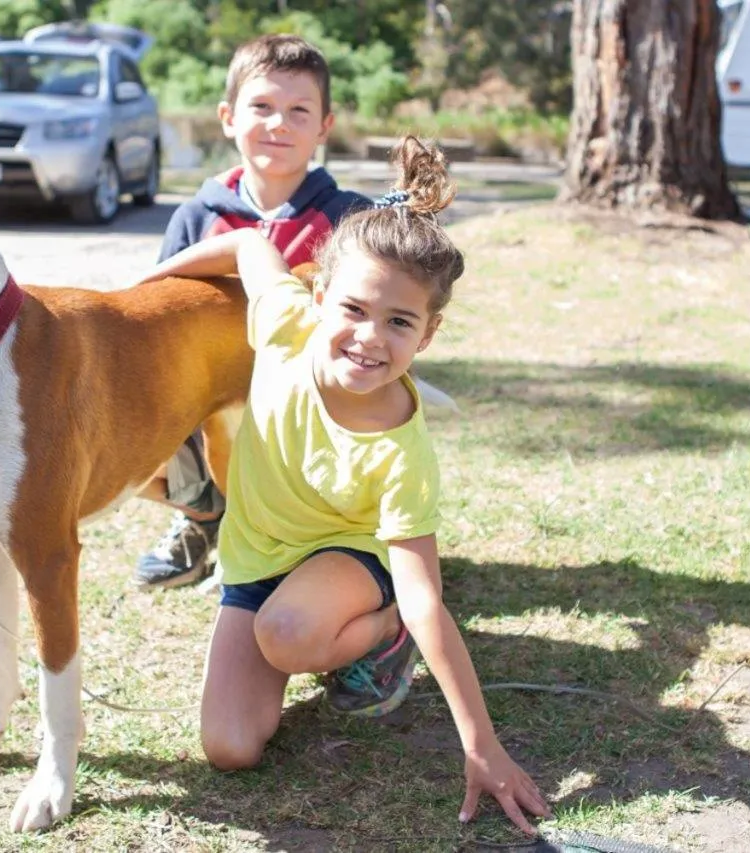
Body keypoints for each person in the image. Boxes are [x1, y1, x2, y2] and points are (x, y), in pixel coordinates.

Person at [133, 137, 552, 835]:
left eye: (399, 322)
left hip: (350, 562)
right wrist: (141, 289)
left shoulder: (400, 449)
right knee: (230, 747)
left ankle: (377, 637)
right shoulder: (285, 326)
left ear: (430, 332)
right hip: (258, 563)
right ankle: (303, 628)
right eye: (354, 309)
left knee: (288, 633)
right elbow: (245, 250)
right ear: (319, 294)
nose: (368, 337)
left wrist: (482, 744)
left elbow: (428, 599)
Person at [133, 34, 372, 590]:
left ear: (325, 126)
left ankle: (309, 542)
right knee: (129, 423)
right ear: (227, 117)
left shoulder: (349, 219)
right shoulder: (196, 218)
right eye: (261, 107)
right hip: (206, 398)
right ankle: (202, 518)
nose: (278, 124)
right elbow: (159, 322)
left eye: (298, 111)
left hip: (310, 402)